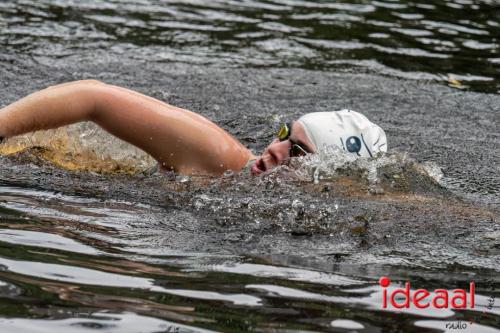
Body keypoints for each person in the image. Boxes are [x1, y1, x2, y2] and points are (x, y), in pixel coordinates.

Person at [0, 80, 387, 176]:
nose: (275, 150)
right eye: (286, 134)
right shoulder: (217, 156)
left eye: (299, 152)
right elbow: (93, 97)